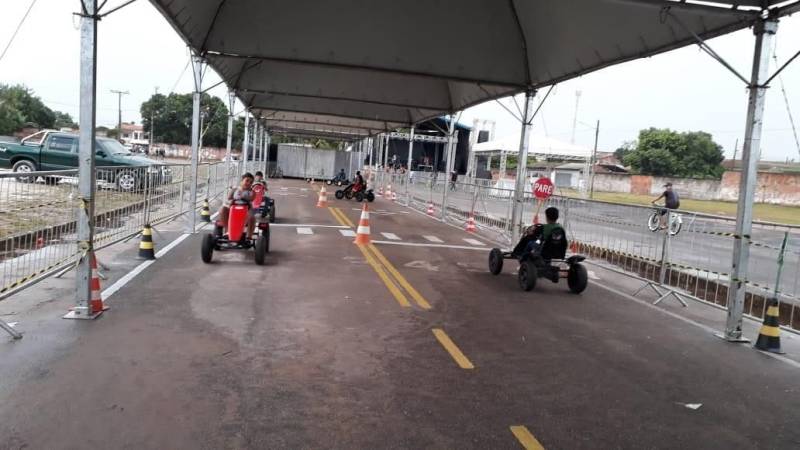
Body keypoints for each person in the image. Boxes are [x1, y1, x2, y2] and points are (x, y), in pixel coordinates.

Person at [217, 172, 256, 239]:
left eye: (251, 182)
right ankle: (228, 230)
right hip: (233, 208)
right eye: (247, 181)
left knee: (252, 217)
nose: (248, 183)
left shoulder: (252, 192)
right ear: (242, 181)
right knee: (223, 209)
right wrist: (231, 200)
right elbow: (229, 198)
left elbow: (252, 198)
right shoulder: (235, 189)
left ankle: (249, 236)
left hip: (246, 209)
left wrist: (244, 197)